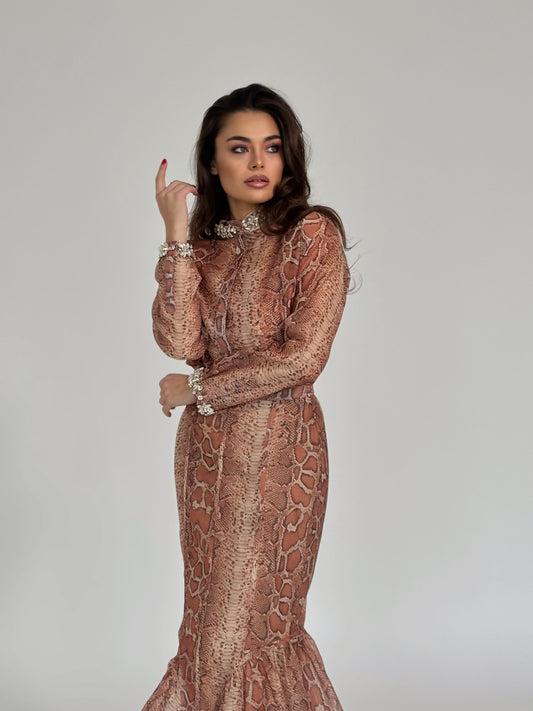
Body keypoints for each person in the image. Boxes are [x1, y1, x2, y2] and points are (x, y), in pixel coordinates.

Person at [142, 83, 352, 711]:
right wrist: (176, 235)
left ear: (288, 158)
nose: (259, 162)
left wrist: (200, 386)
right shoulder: (205, 249)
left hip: (283, 453)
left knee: (248, 631)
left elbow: (304, 357)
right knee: (207, 624)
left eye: (272, 147)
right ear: (212, 161)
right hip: (206, 456)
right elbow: (179, 339)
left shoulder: (311, 234)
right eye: (239, 148)